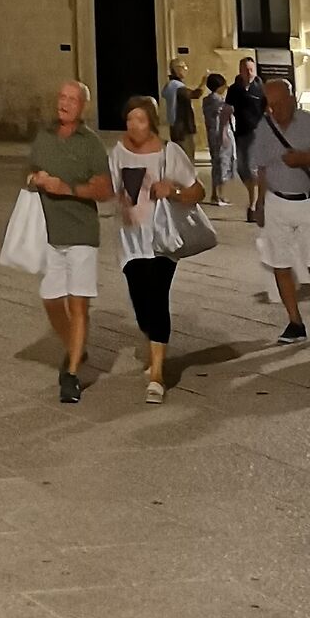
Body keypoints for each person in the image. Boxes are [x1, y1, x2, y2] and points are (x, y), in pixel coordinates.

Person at [108, 94, 204, 404]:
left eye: (140, 119)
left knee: (157, 296)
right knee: (142, 307)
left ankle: (158, 374)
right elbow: (109, 187)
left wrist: (173, 190)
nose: (133, 125)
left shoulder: (168, 153)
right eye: (129, 119)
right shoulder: (118, 152)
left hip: (162, 238)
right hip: (131, 239)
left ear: (151, 122)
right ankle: (154, 346)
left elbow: (197, 191)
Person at [24, 79, 115, 404]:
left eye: (71, 99)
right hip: (50, 233)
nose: (63, 103)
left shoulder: (90, 144)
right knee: (51, 299)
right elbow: (30, 171)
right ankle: (76, 347)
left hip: (81, 234)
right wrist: (37, 179)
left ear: (82, 106)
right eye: (60, 97)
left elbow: (105, 191)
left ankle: (72, 372)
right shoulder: (44, 137)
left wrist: (70, 189)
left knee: (78, 305)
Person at [249, 76, 310, 341]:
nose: (274, 109)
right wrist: (260, 202)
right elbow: (262, 166)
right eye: (270, 104)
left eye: (279, 103)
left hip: (308, 201)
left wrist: (307, 157)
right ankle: (295, 322)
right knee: (279, 263)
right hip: (277, 200)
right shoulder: (265, 127)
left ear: (291, 100)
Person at [227, 57, 268, 225]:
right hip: (241, 132)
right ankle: (260, 193)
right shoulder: (234, 89)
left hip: (256, 132)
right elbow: (228, 110)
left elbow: (268, 109)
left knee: (250, 168)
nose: (249, 72)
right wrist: (225, 130)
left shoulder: (261, 88)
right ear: (240, 70)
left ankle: (253, 205)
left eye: (251, 69)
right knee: (241, 168)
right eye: (246, 69)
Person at [201, 73, 236, 205]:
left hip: (212, 133)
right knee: (223, 163)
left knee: (216, 163)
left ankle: (215, 194)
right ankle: (220, 194)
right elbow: (225, 117)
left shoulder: (206, 100)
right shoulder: (219, 102)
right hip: (222, 134)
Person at [164, 62, 197, 153]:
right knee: (186, 156)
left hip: (176, 126)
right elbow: (195, 94)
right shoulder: (176, 86)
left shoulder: (171, 85)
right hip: (182, 127)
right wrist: (204, 82)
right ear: (177, 69)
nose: (186, 69)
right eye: (184, 67)